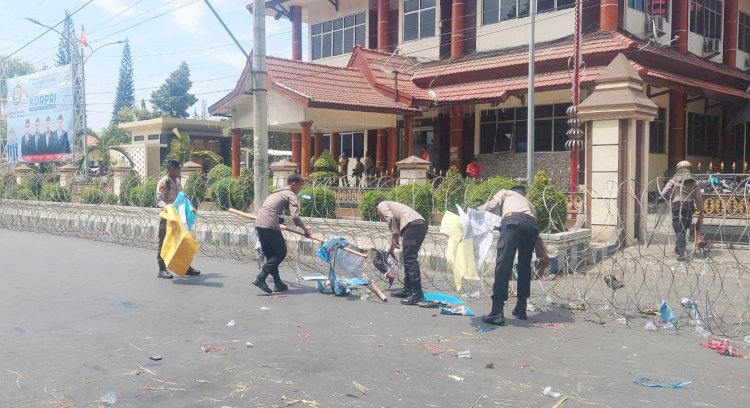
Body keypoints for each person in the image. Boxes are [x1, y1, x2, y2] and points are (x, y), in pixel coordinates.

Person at [477, 185, 550, 326]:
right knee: (524, 267)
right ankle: (521, 308)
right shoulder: (529, 205)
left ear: (513, 191)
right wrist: (543, 254)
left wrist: (475, 212)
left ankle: (497, 311)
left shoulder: (505, 192)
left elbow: (492, 204)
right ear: (524, 194)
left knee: (504, 265)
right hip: (531, 228)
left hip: (512, 223)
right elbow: (536, 231)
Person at [252, 173, 312, 293]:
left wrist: (279, 219)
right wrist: (306, 230)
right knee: (280, 253)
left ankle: (278, 284)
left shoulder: (276, 192)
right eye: (300, 186)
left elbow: (270, 209)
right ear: (294, 184)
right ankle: (261, 277)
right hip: (270, 225)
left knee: (270, 255)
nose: (300, 189)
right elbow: (295, 217)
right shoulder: (291, 194)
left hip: (259, 223)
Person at [374, 198, 428, 305]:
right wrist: (391, 248)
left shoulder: (381, 205)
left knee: (410, 259)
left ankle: (417, 293)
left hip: (412, 225)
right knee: (408, 256)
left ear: (376, 208)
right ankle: (408, 289)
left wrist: (394, 237)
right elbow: (396, 231)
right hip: (419, 224)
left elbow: (390, 218)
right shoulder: (394, 206)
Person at [155, 160, 201, 279]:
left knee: (182, 242)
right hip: (168, 218)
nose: (179, 171)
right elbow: (159, 200)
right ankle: (162, 269)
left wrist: (191, 207)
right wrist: (168, 208)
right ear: (170, 169)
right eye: (177, 169)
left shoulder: (177, 182)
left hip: (178, 218)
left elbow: (182, 198)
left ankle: (185, 267)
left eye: (179, 169)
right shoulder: (164, 182)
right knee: (164, 242)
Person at [660, 160, 704, 261]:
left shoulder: (673, 181)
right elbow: (698, 198)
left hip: (677, 206)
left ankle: (682, 252)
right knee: (683, 228)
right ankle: (678, 247)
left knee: (678, 228)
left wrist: (661, 200)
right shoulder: (694, 182)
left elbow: (663, 194)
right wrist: (701, 209)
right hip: (688, 206)